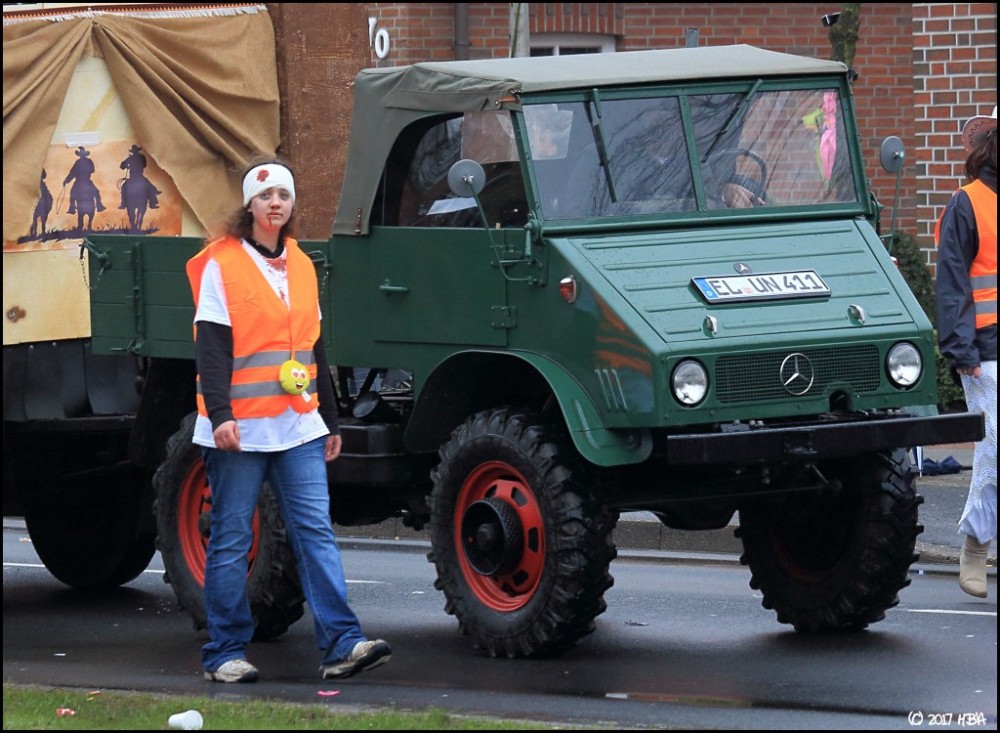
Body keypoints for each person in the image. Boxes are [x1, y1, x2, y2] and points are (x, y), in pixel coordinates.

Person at [185, 156, 391, 681]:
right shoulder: (221, 263)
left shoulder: (301, 263)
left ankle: (342, 643)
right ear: (249, 206)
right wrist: (221, 414)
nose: (274, 204)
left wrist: (332, 418)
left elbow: (314, 348)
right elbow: (211, 347)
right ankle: (224, 653)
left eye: (282, 195)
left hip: (297, 424)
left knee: (315, 531)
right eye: (264, 196)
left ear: (292, 205)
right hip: (238, 428)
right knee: (232, 538)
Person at [935, 105, 997, 598]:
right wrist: (962, 350)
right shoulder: (968, 203)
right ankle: (976, 545)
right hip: (987, 350)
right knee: (995, 449)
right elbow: (953, 281)